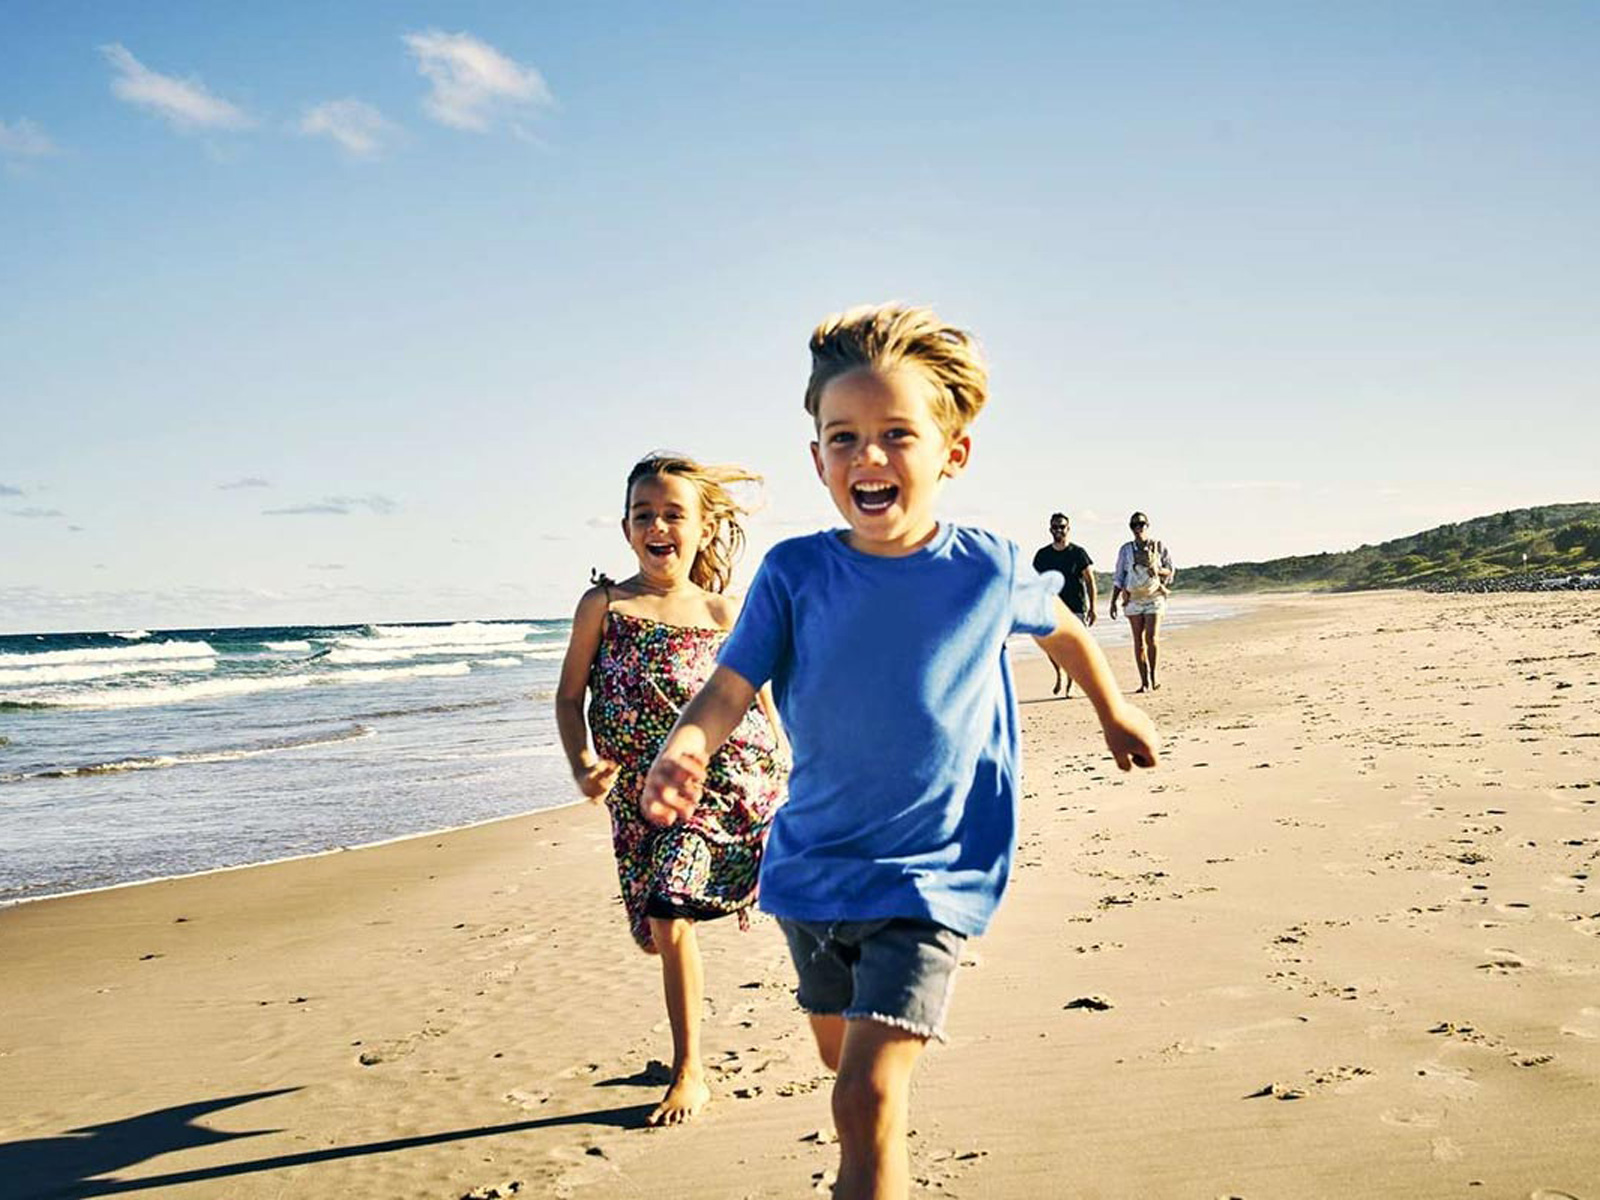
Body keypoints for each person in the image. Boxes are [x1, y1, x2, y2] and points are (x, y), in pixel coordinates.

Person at [639, 305, 1160, 1199]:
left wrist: (1114, 712)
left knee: (866, 1096)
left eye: (895, 436)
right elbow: (730, 685)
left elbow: (1065, 626)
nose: (867, 458)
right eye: (843, 438)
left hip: (932, 874)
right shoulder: (795, 573)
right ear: (817, 458)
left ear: (952, 453)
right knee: (849, 1080)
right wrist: (686, 744)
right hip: (810, 874)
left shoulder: (985, 566)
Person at [554, 453, 787, 1127]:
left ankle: (691, 1072)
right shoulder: (604, 606)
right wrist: (582, 762)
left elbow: (762, 705)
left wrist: (792, 764)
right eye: (643, 515)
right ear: (626, 528)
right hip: (638, 800)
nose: (658, 525)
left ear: (703, 525)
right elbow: (570, 699)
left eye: (673, 514)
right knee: (655, 930)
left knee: (668, 908)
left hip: (725, 784)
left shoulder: (721, 611)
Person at [1108, 510, 1175, 693]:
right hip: (1133, 597)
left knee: (1151, 638)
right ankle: (1144, 681)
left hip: (1154, 596)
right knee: (1138, 641)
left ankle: (1154, 675)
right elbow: (1119, 576)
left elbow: (1170, 570)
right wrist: (1113, 601)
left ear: (1147, 526)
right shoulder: (1126, 549)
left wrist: (1155, 568)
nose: (1138, 528)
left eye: (1141, 524)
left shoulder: (1158, 546)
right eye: (1134, 525)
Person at [1031, 512, 1097, 696]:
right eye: (1055, 527)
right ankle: (1059, 672)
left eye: (1062, 527)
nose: (1058, 530)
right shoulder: (1043, 555)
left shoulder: (1078, 553)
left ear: (1068, 529)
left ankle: (1070, 683)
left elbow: (1090, 581)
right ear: (1050, 529)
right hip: (1051, 607)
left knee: (1074, 647)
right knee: (1051, 646)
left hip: (1076, 607)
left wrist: (1092, 608)